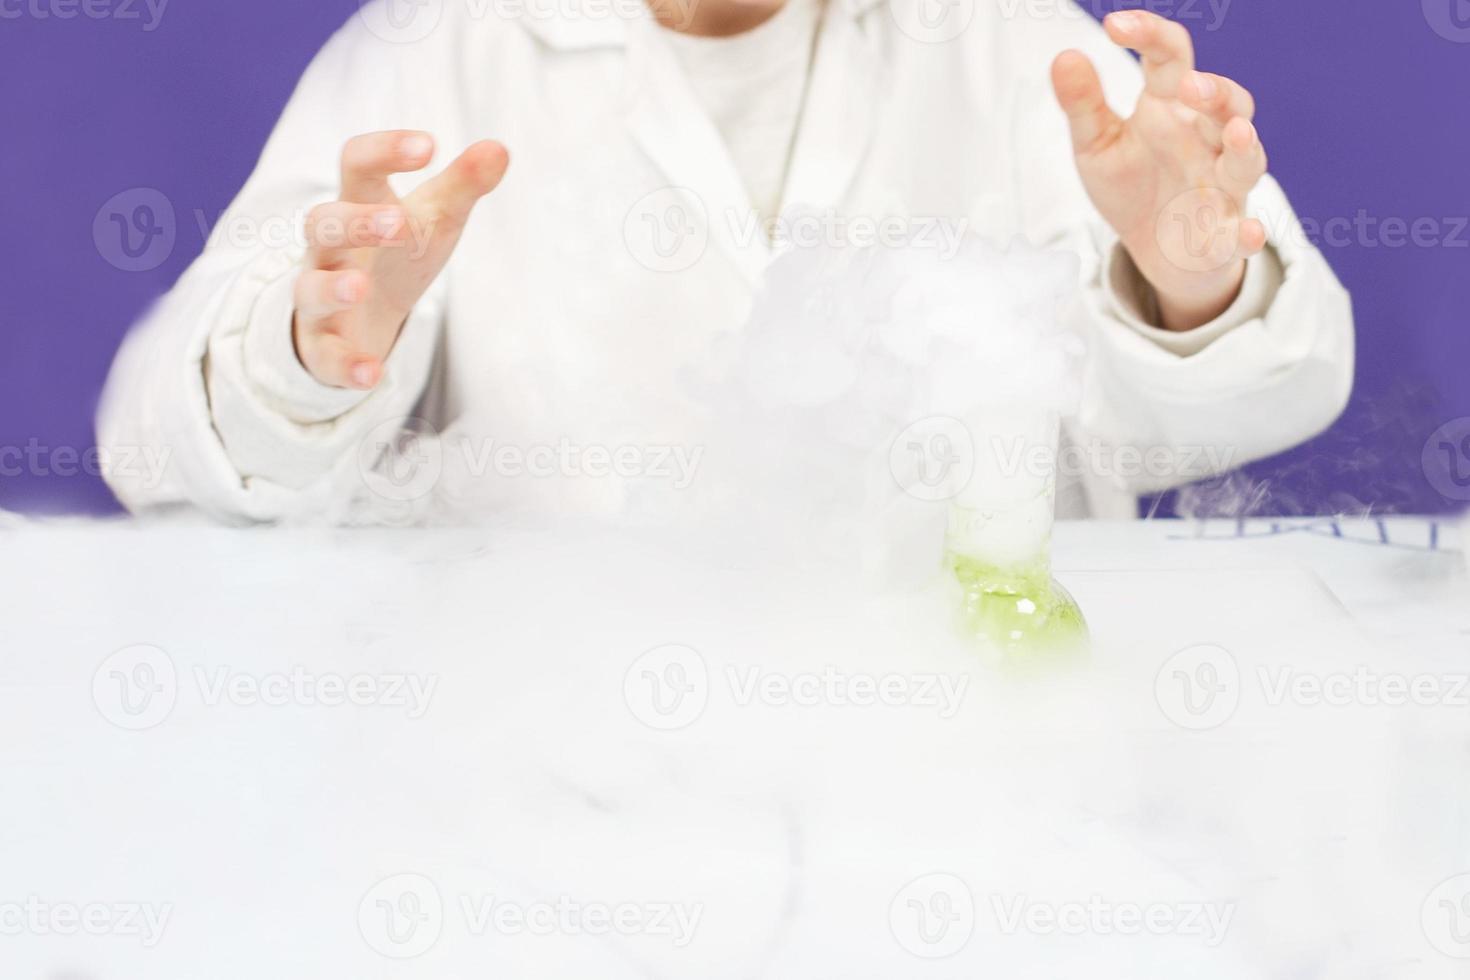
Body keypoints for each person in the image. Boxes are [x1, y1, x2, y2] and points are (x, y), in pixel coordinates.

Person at [96, 0, 1353, 523]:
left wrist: (1188, 278)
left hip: (972, 783)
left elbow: (1284, 382)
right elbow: (156, 445)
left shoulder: (1002, 37)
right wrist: (307, 355)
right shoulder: (440, 42)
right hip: (559, 794)